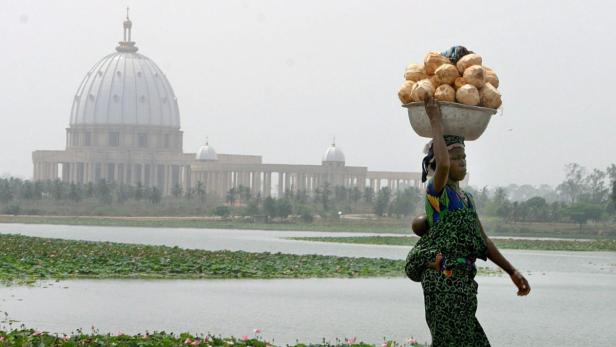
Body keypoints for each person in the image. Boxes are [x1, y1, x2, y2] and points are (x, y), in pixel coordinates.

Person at [405, 97, 530, 347]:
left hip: (464, 283)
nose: (462, 161)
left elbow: (483, 241)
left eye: (464, 157)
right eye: (456, 157)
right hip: (442, 280)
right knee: (450, 341)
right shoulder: (438, 193)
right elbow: (441, 166)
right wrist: (435, 122)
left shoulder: (467, 200)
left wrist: (512, 271)